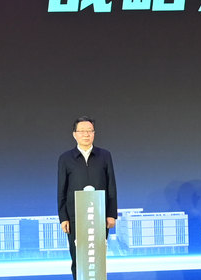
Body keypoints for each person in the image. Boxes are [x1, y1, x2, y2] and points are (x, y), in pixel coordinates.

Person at [57, 116, 118, 279]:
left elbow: (111, 185)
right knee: (78, 259)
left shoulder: (105, 155)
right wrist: (63, 217)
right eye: (82, 131)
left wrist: (111, 214)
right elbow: (61, 189)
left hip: (99, 216)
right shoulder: (65, 158)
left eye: (89, 131)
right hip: (75, 218)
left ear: (94, 133)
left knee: (97, 259)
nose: (86, 134)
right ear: (74, 134)